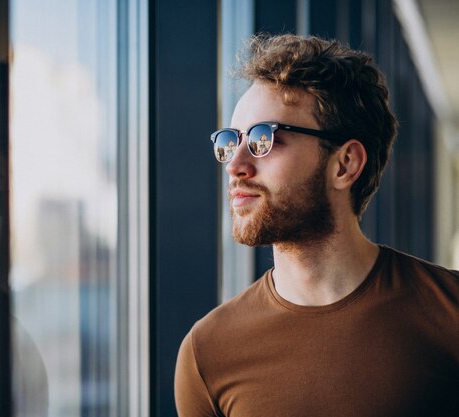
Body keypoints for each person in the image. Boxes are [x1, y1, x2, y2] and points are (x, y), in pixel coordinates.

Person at [175, 34, 459, 417]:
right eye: (232, 140)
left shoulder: (450, 311)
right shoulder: (207, 352)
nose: (235, 165)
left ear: (344, 164)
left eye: (264, 138)